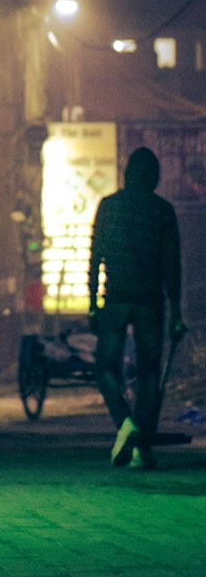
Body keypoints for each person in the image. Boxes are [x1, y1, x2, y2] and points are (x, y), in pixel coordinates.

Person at [88, 145, 185, 471]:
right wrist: (178, 312)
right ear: (155, 178)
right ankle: (142, 448)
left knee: (105, 367)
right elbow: (172, 265)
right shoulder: (162, 211)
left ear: (127, 174)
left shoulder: (109, 206)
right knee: (148, 372)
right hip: (150, 302)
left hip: (115, 299)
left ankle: (125, 424)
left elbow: (95, 256)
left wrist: (92, 304)